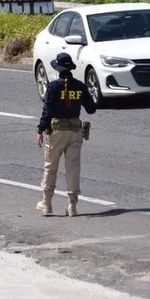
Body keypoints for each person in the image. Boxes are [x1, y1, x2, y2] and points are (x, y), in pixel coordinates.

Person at [35, 52, 97, 217]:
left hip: (57, 132)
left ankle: (47, 204)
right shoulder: (80, 86)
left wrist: (40, 130)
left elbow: (47, 111)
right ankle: (72, 205)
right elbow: (91, 108)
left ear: (58, 69)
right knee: (73, 168)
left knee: (51, 167)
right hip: (75, 132)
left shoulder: (54, 86)